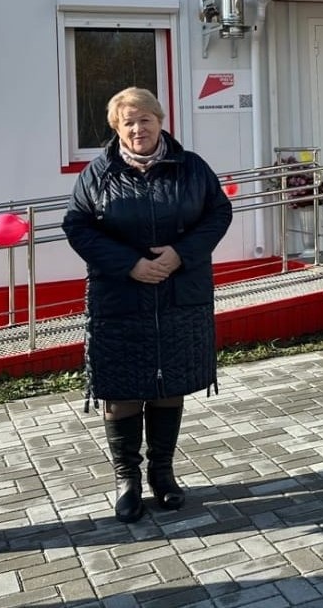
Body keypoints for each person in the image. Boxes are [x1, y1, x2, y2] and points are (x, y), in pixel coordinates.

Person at [62, 87, 233, 523]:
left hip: (180, 295)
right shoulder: (97, 174)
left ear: (160, 120)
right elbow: (77, 225)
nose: (138, 129)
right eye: (128, 122)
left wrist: (180, 253)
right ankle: (127, 481)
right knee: (121, 391)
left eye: (145, 119)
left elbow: (218, 213)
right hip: (120, 296)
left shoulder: (192, 168)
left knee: (168, 385)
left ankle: (163, 474)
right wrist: (131, 264)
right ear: (116, 128)